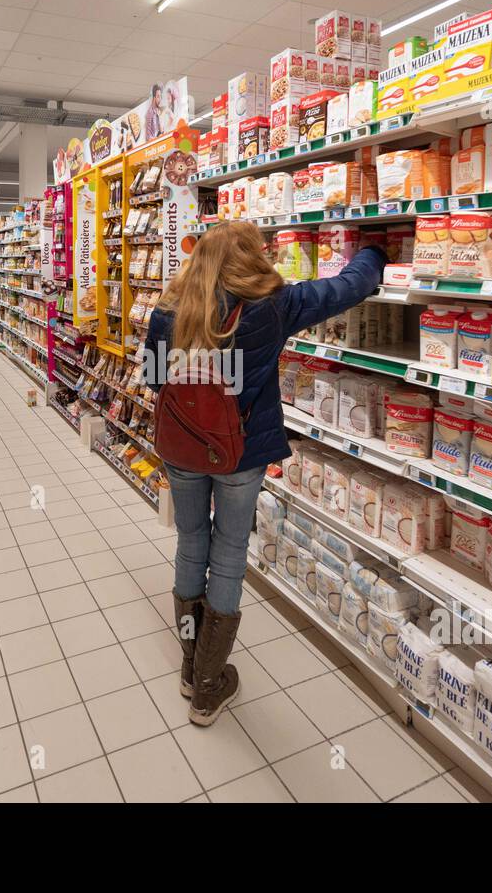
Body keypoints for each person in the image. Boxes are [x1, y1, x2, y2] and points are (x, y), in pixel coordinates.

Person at [143, 221, 387, 726]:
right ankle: (209, 686)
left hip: (183, 450)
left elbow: (151, 378)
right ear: (248, 259)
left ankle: (190, 668)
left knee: (191, 544)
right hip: (241, 454)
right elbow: (349, 287)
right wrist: (373, 248)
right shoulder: (272, 306)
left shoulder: (167, 309)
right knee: (229, 553)